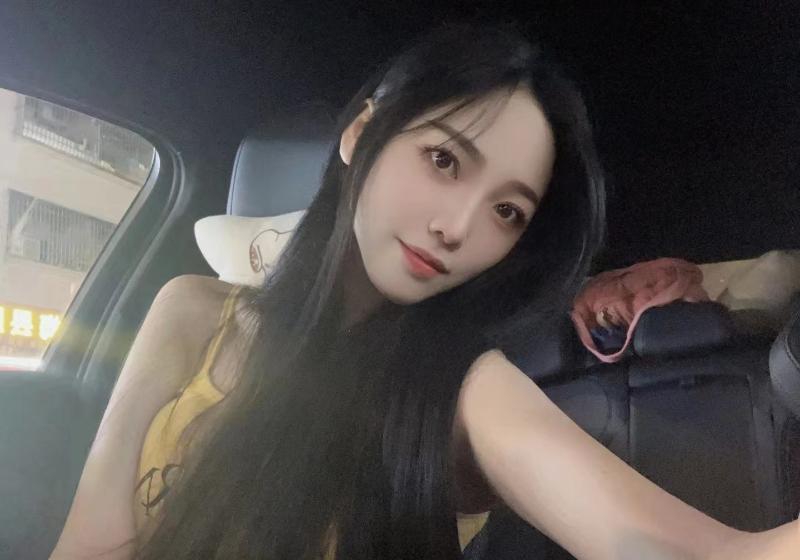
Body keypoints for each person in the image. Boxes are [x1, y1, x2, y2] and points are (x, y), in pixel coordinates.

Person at [50, 22, 798, 560]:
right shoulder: (190, 312)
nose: (458, 227)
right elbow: (88, 544)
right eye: (444, 160)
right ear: (361, 135)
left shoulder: (466, 389)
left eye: (507, 211)